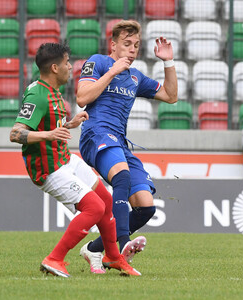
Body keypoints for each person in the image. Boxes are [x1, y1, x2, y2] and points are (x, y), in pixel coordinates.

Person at [9, 43, 140, 277]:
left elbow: (49, 126)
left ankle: (113, 257)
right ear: (54, 67)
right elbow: (16, 133)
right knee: (95, 208)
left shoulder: (54, 92)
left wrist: (70, 123)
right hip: (49, 169)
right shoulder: (38, 94)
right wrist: (49, 134)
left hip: (65, 159)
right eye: (67, 63)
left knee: (106, 201)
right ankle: (54, 259)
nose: (71, 67)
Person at [76, 20, 178, 272]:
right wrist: (111, 71)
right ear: (113, 45)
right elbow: (82, 98)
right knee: (121, 177)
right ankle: (120, 247)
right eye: (126, 44)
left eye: (136, 45)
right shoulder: (98, 62)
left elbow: (170, 96)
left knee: (145, 207)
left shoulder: (135, 76)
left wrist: (168, 62)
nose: (132, 49)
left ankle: (93, 249)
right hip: (96, 133)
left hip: (120, 142)